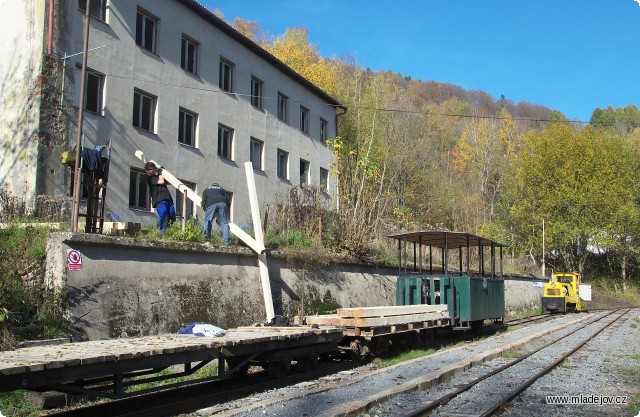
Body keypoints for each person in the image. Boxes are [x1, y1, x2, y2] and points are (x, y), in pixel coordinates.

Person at [145, 162, 176, 233]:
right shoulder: (151, 178)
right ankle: (163, 231)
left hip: (168, 199)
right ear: (147, 171)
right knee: (164, 213)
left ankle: (169, 230)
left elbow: (170, 182)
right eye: (150, 169)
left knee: (172, 216)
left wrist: (164, 172)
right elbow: (161, 181)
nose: (153, 170)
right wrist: (160, 173)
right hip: (159, 200)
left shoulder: (158, 177)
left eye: (153, 169)